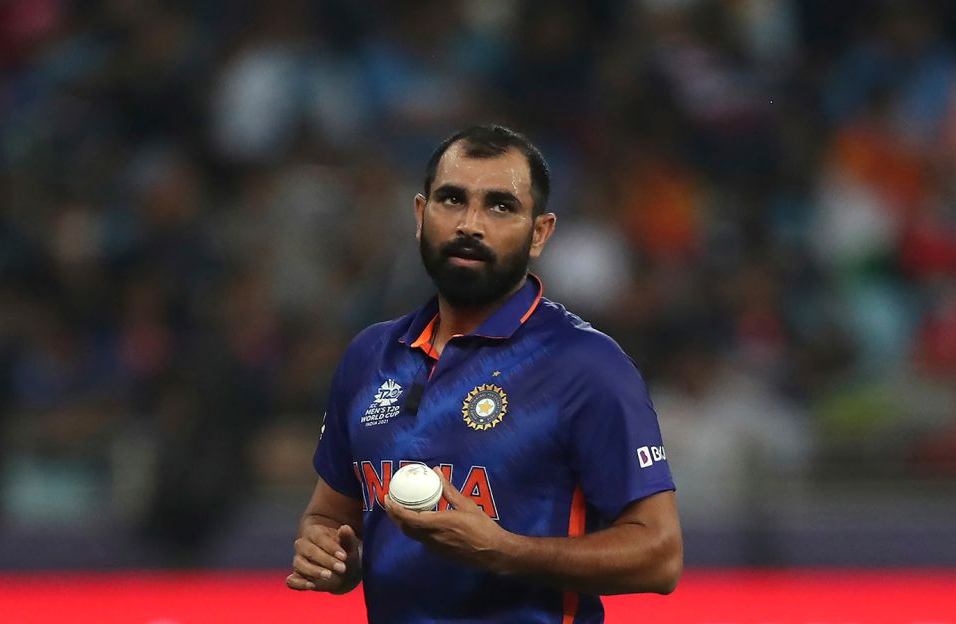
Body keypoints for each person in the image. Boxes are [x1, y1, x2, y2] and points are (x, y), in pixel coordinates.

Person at [286, 125, 682, 623]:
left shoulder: (585, 365)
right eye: (452, 199)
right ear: (419, 214)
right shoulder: (369, 355)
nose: (470, 224)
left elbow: (661, 556)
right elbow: (329, 516)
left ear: (540, 232)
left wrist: (506, 551)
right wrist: (329, 555)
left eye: (500, 206)